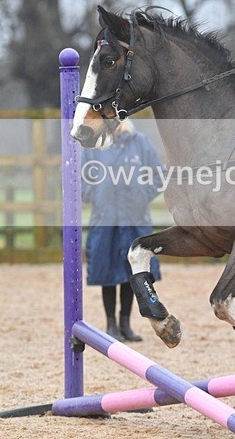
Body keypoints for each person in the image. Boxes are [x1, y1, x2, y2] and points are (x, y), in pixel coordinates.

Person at [82, 120, 163, 342]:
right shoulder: (94, 147)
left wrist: (142, 195)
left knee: (132, 273)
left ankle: (125, 323)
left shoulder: (140, 143)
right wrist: (96, 194)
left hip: (133, 219)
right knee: (107, 272)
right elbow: (81, 179)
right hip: (105, 218)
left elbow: (158, 175)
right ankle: (111, 324)